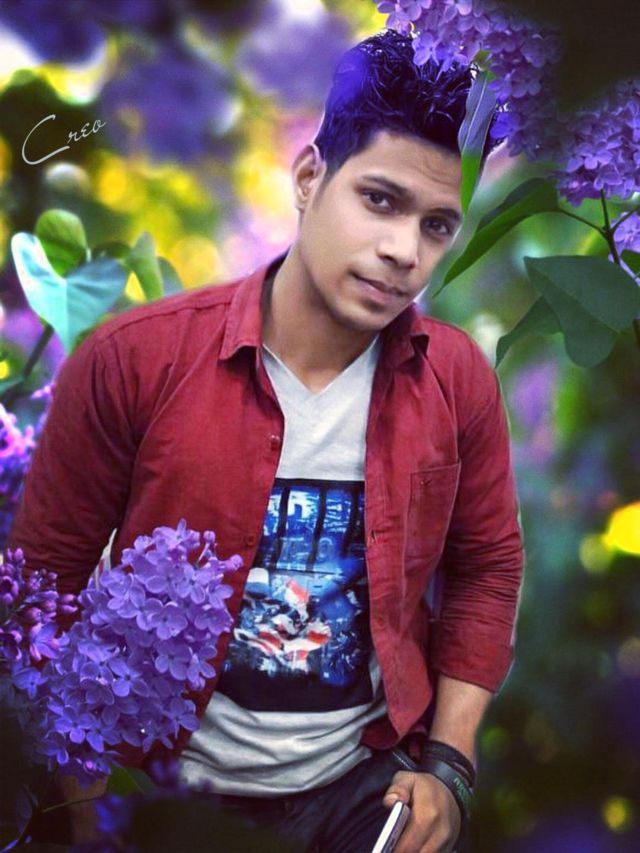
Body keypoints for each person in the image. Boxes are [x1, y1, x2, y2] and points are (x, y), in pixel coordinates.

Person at [9, 28, 524, 853]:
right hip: (162, 793)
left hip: (362, 793)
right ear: (310, 177)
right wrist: (84, 802)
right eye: (380, 200)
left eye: (436, 225)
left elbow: (487, 565)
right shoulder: (134, 360)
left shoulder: (455, 379)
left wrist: (449, 767)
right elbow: (43, 587)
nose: (404, 251)